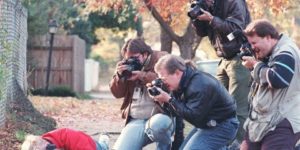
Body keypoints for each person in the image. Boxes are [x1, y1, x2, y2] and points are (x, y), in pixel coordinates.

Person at [190, 0, 251, 144]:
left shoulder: (232, 2)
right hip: (223, 60)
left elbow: (236, 27)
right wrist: (196, 19)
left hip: (240, 57)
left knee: (237, 110)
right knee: (219, 107)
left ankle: (241, 146)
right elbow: (202, 32)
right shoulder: (207, 5)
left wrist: (211, 19)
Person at [149, 54, 239, 149]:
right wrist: (161, 100)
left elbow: (194, 117)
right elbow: (174, 112)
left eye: (164, 79)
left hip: (223, 125)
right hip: (206, 124)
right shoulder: (181, 83)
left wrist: (169, 100)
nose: (163, 83)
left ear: (177, 73)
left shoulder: (199, 85)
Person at [240, 19, 300, 149]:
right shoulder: (271, 52)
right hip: (262, 121)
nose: (252, 47)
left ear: (268, 37)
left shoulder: (286, 52)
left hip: (282, 120)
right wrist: (255, 66)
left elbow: (278, 79)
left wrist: (255, 65)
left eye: (254, 43)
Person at [109, 38, 175, 150]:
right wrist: (119, 77)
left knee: (159, 125)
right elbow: (117, 94)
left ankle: (165, 147)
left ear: (145, 54)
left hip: (159, 117)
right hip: (136, 120)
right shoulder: (128, 66)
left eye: (135, 58)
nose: (132, 62)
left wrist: (142, 75)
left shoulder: (162, 59)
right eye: (129, 59)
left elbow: (167, 81)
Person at [21, 128, 109, 150]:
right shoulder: (46, 141)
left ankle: (104, 139)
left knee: (103, 146)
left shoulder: (67, 136)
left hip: (91, 146)